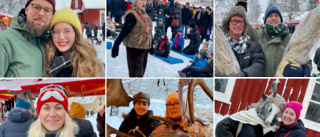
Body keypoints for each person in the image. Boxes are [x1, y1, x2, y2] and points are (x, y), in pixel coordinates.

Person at [237, 1, 311, 77]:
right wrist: (241, 6)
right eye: (270, 16)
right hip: (261, 86)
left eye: (276, 15)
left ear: (280, 20)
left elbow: (307, 61)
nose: (273, 18)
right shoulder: (258, 36)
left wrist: (303, 71)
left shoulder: (291, 39)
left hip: (284, 86)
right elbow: (245, 25)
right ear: (265, 20)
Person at [0, 0, 55, 77]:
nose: (41, 13)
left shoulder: (54, 43)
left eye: (47, 10)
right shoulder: (4, 41)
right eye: (36, 7)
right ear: (26, 10)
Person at [45, 7, 103, 77]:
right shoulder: (45, 59)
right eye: (56, 32)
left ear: (76, 34)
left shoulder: (92, 64)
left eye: (67, 31)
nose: (61, 37)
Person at [219, 6, 265, 77]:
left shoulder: (254, 47)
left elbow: (258, 67)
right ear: (228, 24)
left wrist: (243, 75)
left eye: (241, 22)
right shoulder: (220, 47)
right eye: (234, 21)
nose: (238, 25)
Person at [111, 0, 153, 77]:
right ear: (135, 2)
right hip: (134, 49)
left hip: (144, 48)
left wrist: (152, 44)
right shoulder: (132, 15)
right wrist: (116, 44)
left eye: (145, 0)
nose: (144, 2)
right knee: (136, 75)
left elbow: (149, 31)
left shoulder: (145, 15)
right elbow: (125, 30)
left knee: (141, 73)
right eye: (141, 0)